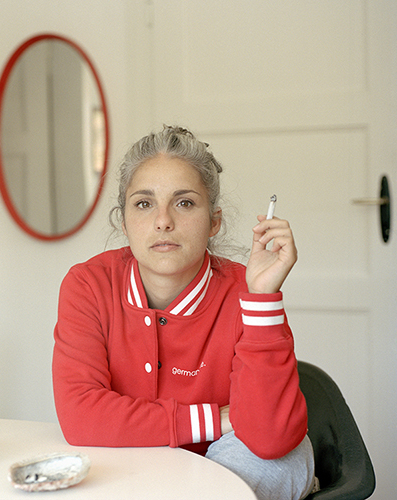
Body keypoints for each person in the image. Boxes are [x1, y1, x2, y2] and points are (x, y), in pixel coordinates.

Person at [52, 125, 317, 500]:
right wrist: (217, 419)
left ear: (214, 222)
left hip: (224, 464)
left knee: (279, 459)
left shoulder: (249, 291)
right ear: (123, 221)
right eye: (144, 204)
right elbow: (82, 416)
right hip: (129, 462)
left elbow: (270, 437)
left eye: (185, 203)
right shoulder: (88, 285)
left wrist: (263, 299)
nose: (163, 221)